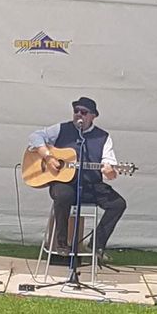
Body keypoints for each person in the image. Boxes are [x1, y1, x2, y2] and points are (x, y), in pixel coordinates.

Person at [28, 96, 126, 260]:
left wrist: (110, 172)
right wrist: (48, 157)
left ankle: (96, 244)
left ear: (93, 116)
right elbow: (34, 137)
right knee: (63, 195)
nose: (79, 115)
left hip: (90, 185)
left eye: (84, 112)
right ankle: (61, 243)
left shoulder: (103, 137)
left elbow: (110, 167)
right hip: (64, 183)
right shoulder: (61, 129)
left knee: (118, 204)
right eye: (76, 111)